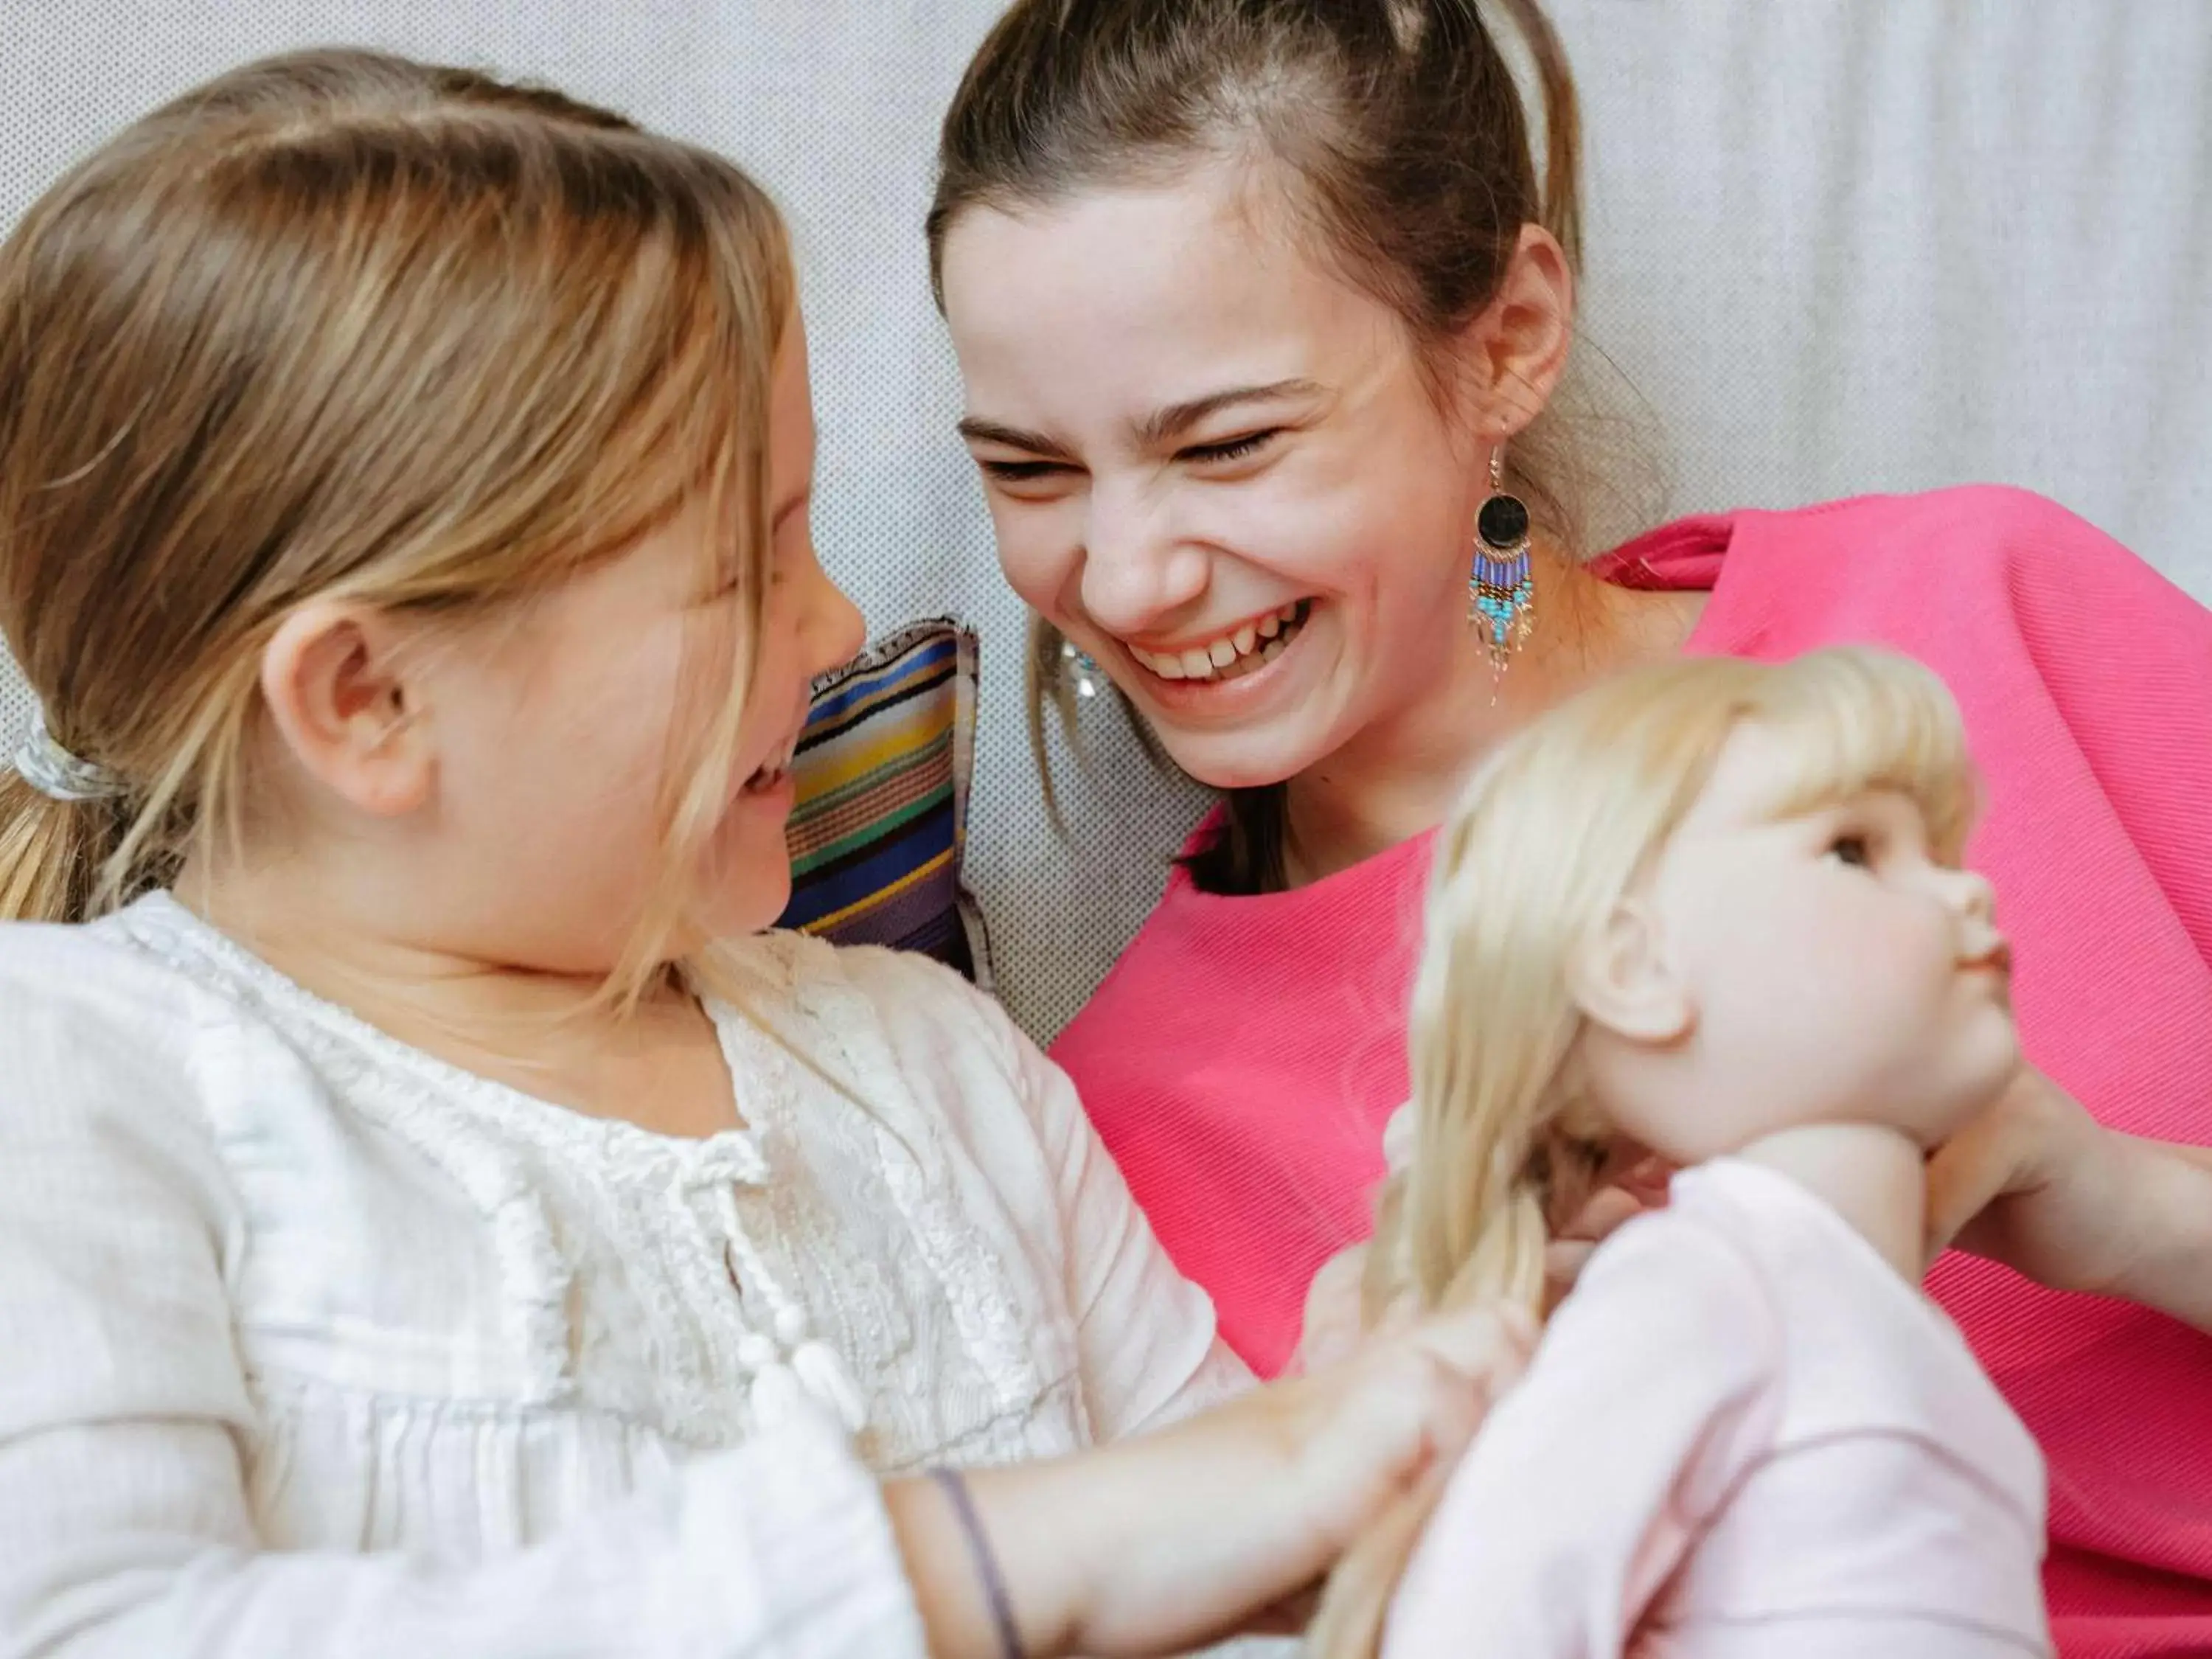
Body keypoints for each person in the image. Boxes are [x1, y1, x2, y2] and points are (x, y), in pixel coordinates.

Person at [0, 50, 1526, 1658]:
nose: (843, 624)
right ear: (368, 698)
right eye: (745, 565)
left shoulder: (935, 1067)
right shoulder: (79, 1076)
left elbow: (1241, 1546)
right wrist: (983, 1565)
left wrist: (1389, 1413)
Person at [925, 0, 2212, 1648]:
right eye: (1032, 472)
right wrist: (1357, 1472)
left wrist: (2129, 1207)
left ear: (1509, 340)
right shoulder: (1113, 1122)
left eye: (1231, 444)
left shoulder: (1979, 610)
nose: (1122, 577)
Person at [1317, 649, 2047, 1658]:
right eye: (1855, 849)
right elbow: (1481, 1616)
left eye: (1939, 850)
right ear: (1634, 967)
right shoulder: (1705, 1281)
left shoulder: (1874, 1318)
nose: (1968, 892)